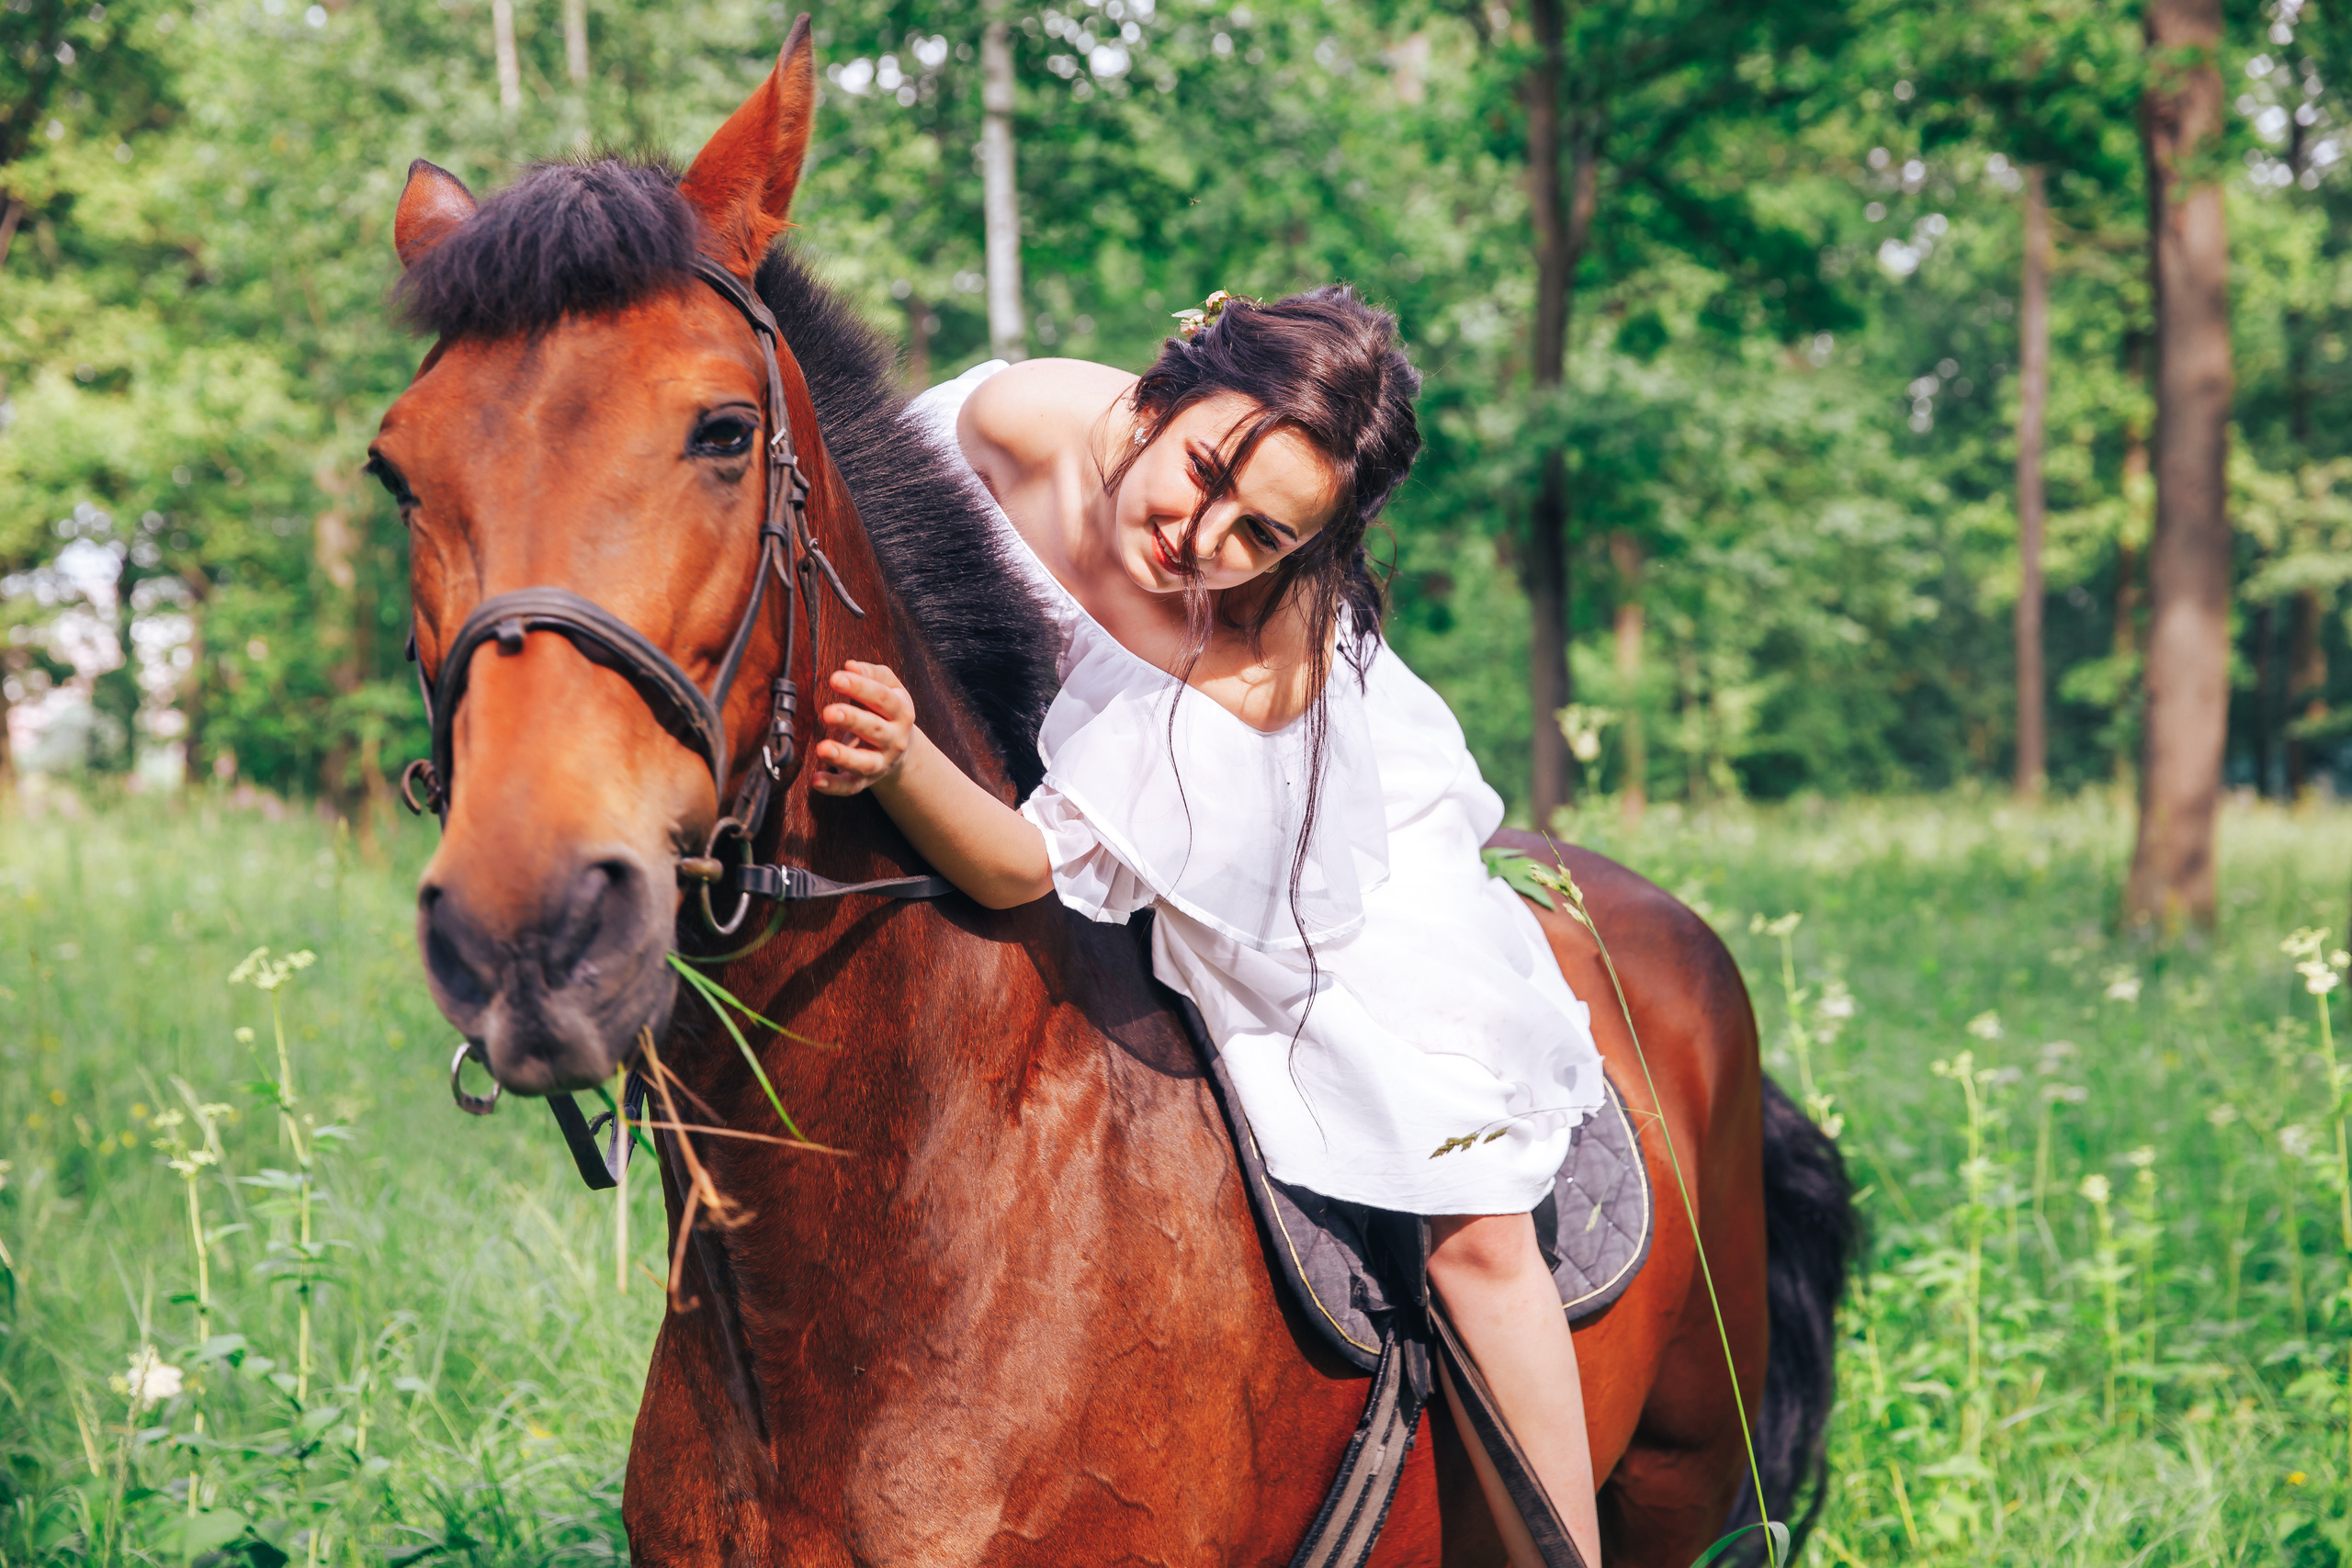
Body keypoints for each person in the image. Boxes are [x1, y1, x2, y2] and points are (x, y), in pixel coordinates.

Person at [811, 287, 1608, 1567]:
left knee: (1461, 1186)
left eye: (1265, 534)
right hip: (1039, 742)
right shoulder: (1011, 422)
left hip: (1286, 829)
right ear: (1157, 395)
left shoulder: (1255, 655)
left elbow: (1025, 868)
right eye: (1204, 473)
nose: (1203, 541)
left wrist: (905, 761)